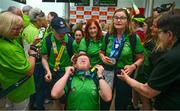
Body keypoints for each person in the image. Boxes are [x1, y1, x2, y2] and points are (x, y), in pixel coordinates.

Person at [118, 9, 180, 110]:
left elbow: (148, 91)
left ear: (169, 35)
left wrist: (127, 78)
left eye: (159, 32)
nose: (158, 36)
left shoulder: (170, 58)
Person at [99, 8, 144, 110]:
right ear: (113, 20)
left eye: (122, 18)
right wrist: (102, 57)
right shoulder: (108, 36)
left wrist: (133, 66)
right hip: (108, 70)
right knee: (105, 100)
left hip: (124, 72)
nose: (118, 20)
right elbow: (101, 52)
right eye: (116, 18)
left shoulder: (133, 37)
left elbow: (141, 58)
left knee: (122, 103)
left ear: (127, 21)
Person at [0, 12, 36, 110]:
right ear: (5, 27)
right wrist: (33, 53)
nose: (19, 32)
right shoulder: (9, 49)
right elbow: (29, 71)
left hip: (10, 86)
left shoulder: (7, 39)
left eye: (20, 28)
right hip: (20, 88)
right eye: (16, 29)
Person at [41, 17, 74, 110]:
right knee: (55, 97)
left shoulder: (71, 41)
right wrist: (47, 71)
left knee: (64, 98)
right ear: (52, 30)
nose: (62, 33)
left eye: (64, 30)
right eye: (59, 31)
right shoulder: (47, 40)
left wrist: (74, 60)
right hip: (52, 73)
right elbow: (44, 58)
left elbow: (75, 58)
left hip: (66, 73)